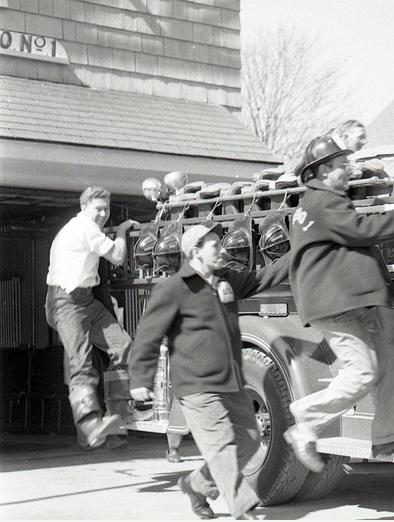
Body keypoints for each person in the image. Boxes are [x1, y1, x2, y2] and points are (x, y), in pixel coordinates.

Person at [283, 135, 394, 472]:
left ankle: (387, 437)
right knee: (364, 371)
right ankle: (305, 420)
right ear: (322, 170)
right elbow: (359, 231)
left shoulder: (314, 203)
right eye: (340, 166)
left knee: (386, 359)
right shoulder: (324, 201)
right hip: (337, 304)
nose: (348, 170)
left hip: (341, 302)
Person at [128, 224, 289, 520]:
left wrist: (302, 250)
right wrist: (140, 379)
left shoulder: (226, 280)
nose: (223, 250)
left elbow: (263, 277)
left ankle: (196, 485)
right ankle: (244, 505)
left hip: (230, 381)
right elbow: (148, 335)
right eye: (215, 246)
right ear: (195, 252)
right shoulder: (174, 288)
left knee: (250, 440)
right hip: (196, 385)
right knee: (222, 446)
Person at [45, 186, 138, 450]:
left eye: (106, 209)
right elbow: (118, 257)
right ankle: (88, 426)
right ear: (84, 208)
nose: (103, 214)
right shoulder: (84, 228)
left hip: (85, 301)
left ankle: (118, 418)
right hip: (65, 302)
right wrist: (121, 231)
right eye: (98, 208)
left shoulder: (81, 228)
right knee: (81, 364)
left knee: (123, 346)